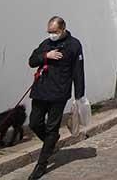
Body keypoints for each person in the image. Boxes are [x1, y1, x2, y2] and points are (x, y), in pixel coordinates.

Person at [27, 16, 85, 179]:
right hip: (41, 90)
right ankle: (51, 141)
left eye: (54, 32)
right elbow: (32, 61)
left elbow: (78, 71)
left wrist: (79, 95)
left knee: (52, 127)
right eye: (49, 32)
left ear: (63, 29)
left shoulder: (74, 45)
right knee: (34, 123)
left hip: (59, 93)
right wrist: (47, 55)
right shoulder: (46, 44)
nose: (51, 34)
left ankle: (41, 165)